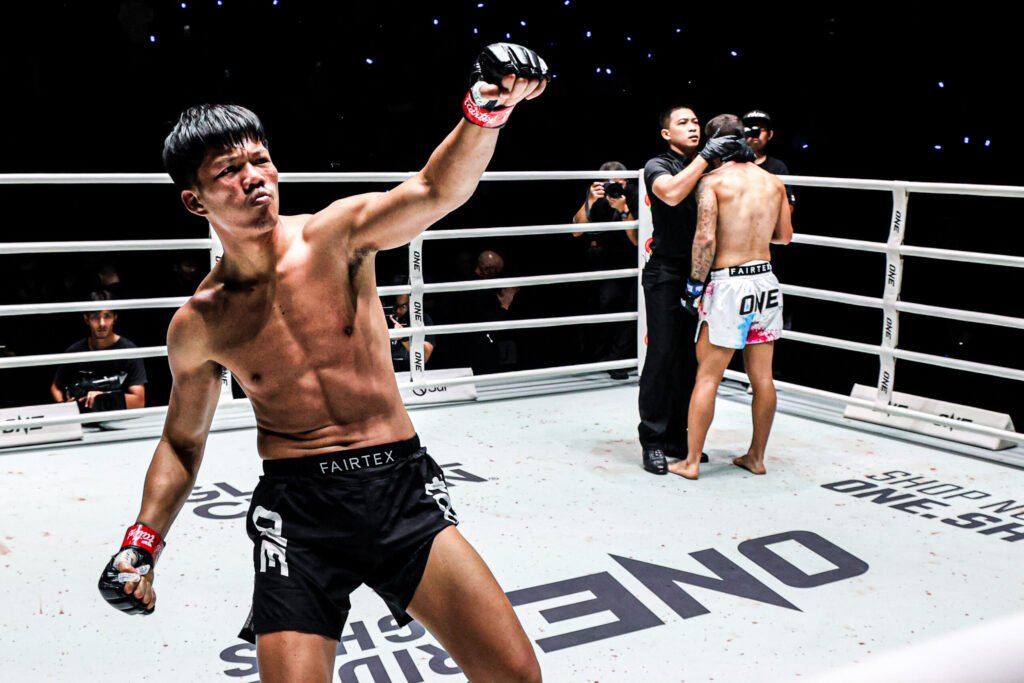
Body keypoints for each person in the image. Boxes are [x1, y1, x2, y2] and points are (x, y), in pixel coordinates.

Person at [97, 43, 547, 683]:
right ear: (196, 202)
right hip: (298, 510)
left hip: (397, 486)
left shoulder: (337, 235)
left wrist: (484, 111)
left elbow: (436, 189)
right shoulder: (200, 322)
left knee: (516, 676)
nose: (254, 176)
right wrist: (141, 543)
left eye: (260, 159)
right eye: (229, 170)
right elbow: (181, 441)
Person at [669, 114, 793, 480]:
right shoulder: (773, 181)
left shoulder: (712, 182)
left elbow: (705, 238)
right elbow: (784, 237)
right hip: (766, 280)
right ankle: (756, 457)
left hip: (730, 284)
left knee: (708, 376)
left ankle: (691, 462)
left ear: (714, 145)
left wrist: (694, 286)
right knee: (763, 378)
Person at [638, 105, 749, 475]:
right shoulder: (658, 165)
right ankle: (652, 440)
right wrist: (705, 157)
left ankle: (677, 437)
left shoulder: (712, 167)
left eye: (696, 122)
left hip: (706, 274)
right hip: (666, 273)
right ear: (666, 133)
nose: (692, 127)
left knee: (690, 359)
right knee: (661, 355)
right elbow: (670, 194)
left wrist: (740, 158)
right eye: (682, 122)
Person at [571, 161, 638, 378]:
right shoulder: (596, 196)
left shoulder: (635, 195)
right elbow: (576, 231)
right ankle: (601, 356)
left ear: (626, 182)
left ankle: (617, 358)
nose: (614, 187)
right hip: (605, 259)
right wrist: (590, 200)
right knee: (605, 305)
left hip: (632, 259)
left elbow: (637, 240)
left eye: (618, 183)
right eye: (609, 183)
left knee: (631, 309)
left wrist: (624, 210)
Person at [50, 290, 147, 412]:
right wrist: (65, 407)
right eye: (95, 317)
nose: (102, 323)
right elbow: (56, 387)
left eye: (107, 316)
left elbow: (139, 401)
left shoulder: (129, 351)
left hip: (119, 419)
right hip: (84, 418)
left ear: (115, 318)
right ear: (86, 319)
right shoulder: (75, 352)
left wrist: (104, 398)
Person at [742, 110, 796, 211]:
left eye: (761, 129)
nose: (755, 133)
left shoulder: (778, 167)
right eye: (751, 129)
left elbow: (789, 205)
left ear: (770, 134)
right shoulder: (732, 164)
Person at [386, 292, 437, 372]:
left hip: (411, 373)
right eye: (395, 306)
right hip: (387, 372)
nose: (398, 311)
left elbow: (425, 356)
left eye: (403, 306)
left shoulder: (422, 320)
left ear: (412, 304)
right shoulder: (386, 319)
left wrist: (404, 337)